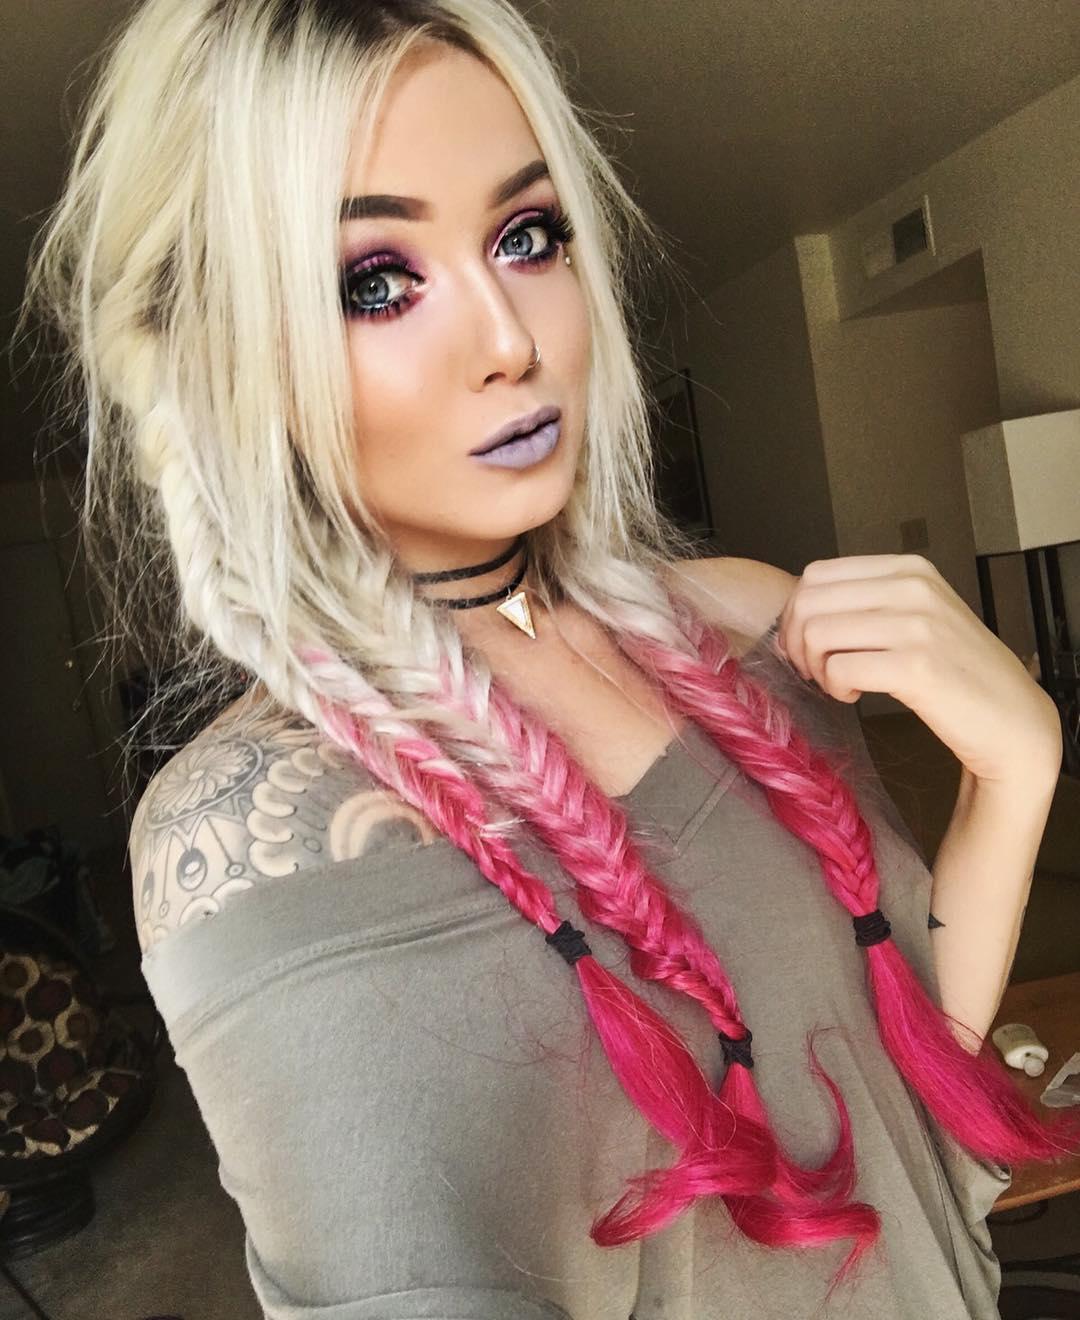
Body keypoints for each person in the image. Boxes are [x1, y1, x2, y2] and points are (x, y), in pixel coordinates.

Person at [20, 1, 1075, 1316]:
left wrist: (1015, 774)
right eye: (374, 283)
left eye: (527, 238)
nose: (511, 339)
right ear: (222, 361)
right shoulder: (260, 829)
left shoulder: (747, 623)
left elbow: (902, 1076)